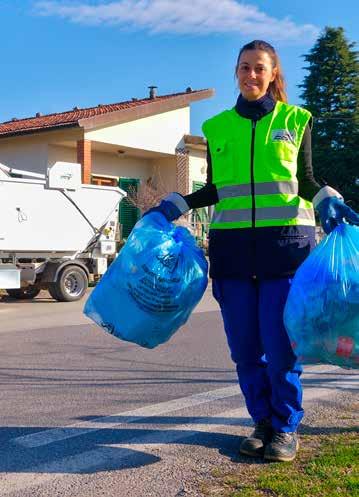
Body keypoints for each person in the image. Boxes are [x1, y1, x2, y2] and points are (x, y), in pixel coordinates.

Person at [145, 40, 359, 462]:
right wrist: (178, 203)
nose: (251, 75)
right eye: (244, 68)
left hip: (286, 252)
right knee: (245, 350)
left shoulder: (296, 120)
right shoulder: (219, 128)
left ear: (273, 73)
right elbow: (217, 189)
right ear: (236, 72)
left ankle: (285, 428)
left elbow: (307, 178)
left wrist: (328, 200)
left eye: (260, 68)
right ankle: (261, 421)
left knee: (281, 350)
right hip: (233, 256)